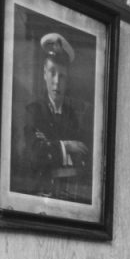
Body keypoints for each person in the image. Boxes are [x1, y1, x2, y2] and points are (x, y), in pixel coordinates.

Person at [11, 31, 91, 202]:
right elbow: (35, 153)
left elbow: (83, 157)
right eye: (52, 73)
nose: (56, 82)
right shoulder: (33, 112)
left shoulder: (73, 116)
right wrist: (66, 146)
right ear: (44, 74)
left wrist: (52, 148)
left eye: (62, 76)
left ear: (67, 80)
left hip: (70, 196)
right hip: (39, 196)